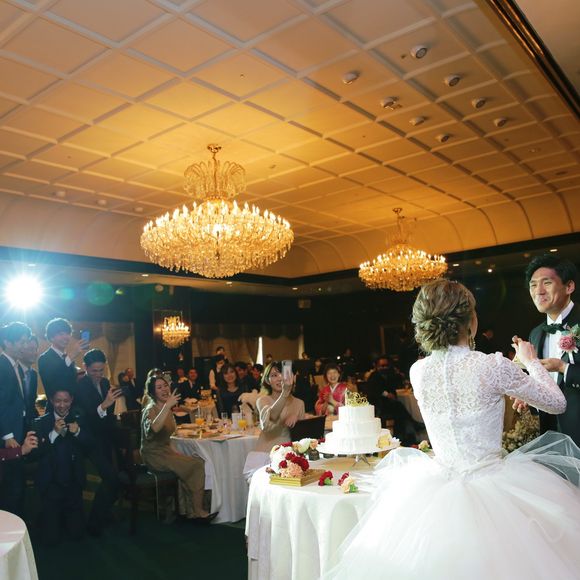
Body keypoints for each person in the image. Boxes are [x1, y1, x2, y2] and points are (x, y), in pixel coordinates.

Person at [324, 279, 580, 580]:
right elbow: (556, 403)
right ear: (469, 320)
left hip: (435, 490)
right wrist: (531, 361)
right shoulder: (491, 365)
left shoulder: (418, 371)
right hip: (494, 484)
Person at [140, 376, 216, 522]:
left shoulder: (166, 408)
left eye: (165, 385)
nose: (164, 389)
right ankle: (198, 511)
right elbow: (155, 428)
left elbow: (168, 438)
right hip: (153, 455)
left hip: (165, 452)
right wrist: (167, 406)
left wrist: (177, 454)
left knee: (198, 460)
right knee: (196, 465)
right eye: (159, 387)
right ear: (152, 392)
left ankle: (189, 509)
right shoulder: (150, 409)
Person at [524, 254, 580, 444]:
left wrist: (564, 368)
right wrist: (527, 397)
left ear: (569, 286)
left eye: (546, 283)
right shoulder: (535, 334)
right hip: (551, 437)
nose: (538, 291)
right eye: (533, 285)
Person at [34, 389, 92, 545]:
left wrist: (78, 432)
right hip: (51, 485)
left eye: (65, 401)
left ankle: (65, 518)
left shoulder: (80, 419)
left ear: (71, 400)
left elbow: (91, 445)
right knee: (50, 540)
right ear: (51, 400)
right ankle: (48, 517)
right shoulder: (41, 422)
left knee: (77, 535)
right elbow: (35, 453)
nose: (62, 405)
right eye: (58, 401)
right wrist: (53, 434)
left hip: (74, 484)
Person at [74, 349, 121, 535]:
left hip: (105, 438)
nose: (98, 374)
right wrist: (104, 405)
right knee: (110, 479)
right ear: (85, 368)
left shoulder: (106, 383)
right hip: (89, 441)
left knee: (111, 480)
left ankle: (103, 514)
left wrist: (107, 408)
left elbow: (108, 415)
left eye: (101, 370)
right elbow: (86, 419)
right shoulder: (80, 387)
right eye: (94, 370)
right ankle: (93, 522)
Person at [0, 321, 32, 516]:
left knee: (17, 482)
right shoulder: (2, 366)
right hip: (8, 436)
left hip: (17, 431)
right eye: (21, 342)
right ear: (7, 342)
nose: (25, 346)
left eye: (27, 341)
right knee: (10, 485)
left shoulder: (16, 366)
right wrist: (7, 435)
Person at [366, 356, 418, 445]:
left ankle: (402, 436)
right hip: (379, 406)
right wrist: (386, 394)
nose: (384, 368)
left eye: (386, 365)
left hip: (389, 404)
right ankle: (412, 426)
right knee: (400, 409)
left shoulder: (390, 375)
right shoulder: (373, 376)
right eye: (382, 366)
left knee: (400, 411)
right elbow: (373, 391)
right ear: (377, 366)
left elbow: (395, 386)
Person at [255, 362, 305, 452]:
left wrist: (297, 421)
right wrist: (285, 392)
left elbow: (302, 436)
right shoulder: (263, 400)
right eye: (274, 375)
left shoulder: (299, 403)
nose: (280, 378)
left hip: (292, 452)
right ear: (267, 380)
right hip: (268, 452)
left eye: (283, 374)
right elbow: (271, 418)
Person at [38, 318, 88, 400]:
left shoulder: (67, 358)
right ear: (51, 337)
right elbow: (56, 381)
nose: (65, 337)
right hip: (56, 405)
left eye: (68, 333)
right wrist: (72, 354)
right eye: (61, 334)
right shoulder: (44, 358)